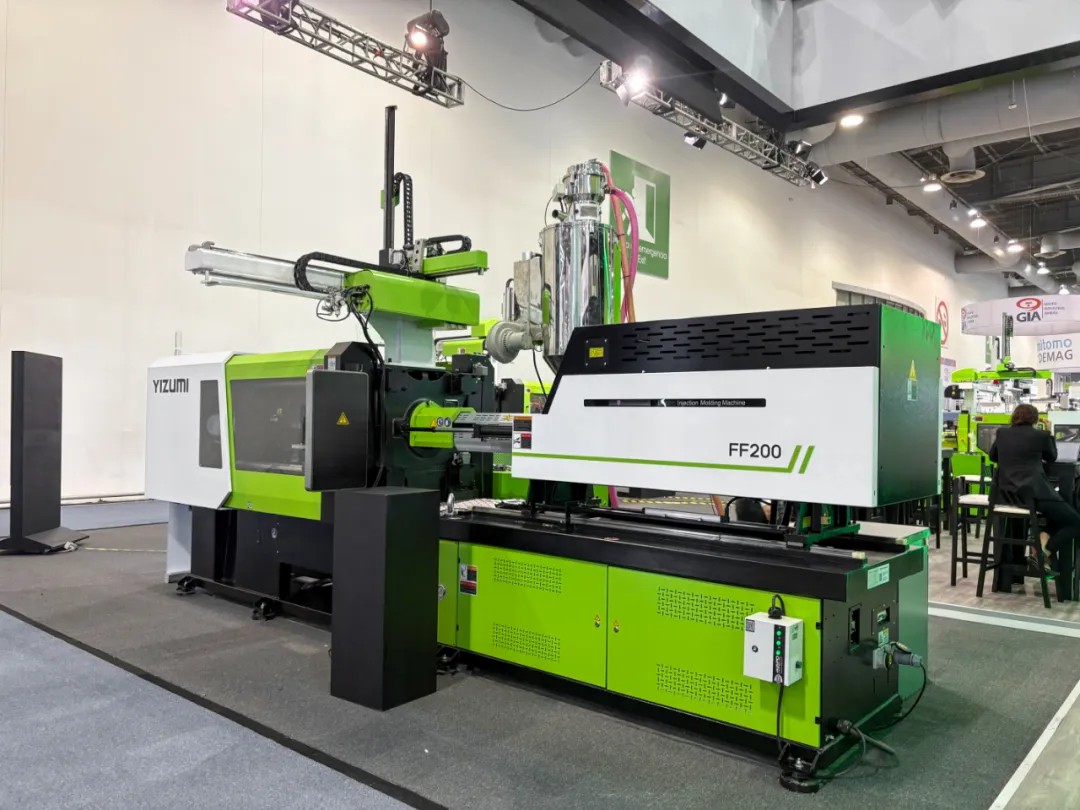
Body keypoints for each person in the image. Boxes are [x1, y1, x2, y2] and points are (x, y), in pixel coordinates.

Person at [989, 403, 1080, 570]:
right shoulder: (1041, 435)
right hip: (1034, 494)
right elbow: (1051, 457)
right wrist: (1049, 432)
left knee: (1057, 516)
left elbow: (993, 457)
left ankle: (1038, 542)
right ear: (1035, 419)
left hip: (1006, 496)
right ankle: (1044, 550)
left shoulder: (1002, 433)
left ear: (1014, 417)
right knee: (1075, 521)